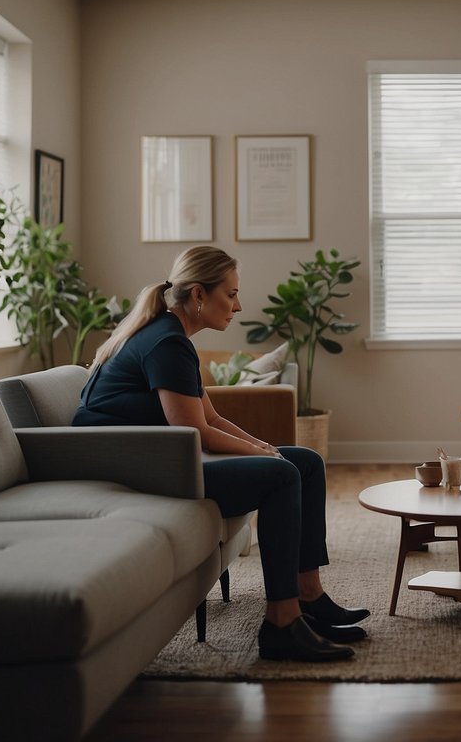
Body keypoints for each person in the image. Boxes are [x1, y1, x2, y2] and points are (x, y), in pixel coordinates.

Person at [73, 246, 368, 663]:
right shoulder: (166, 344)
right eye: (230, 295)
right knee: (282, 475)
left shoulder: (172, 338)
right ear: (198, 295)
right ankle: (282, 625)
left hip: (160, 458)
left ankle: (308, 595)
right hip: (131, 467)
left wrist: (263, 447)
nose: (238, 305)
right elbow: (194, 432)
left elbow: (211, 417)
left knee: (304, 461)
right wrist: (264, 456)